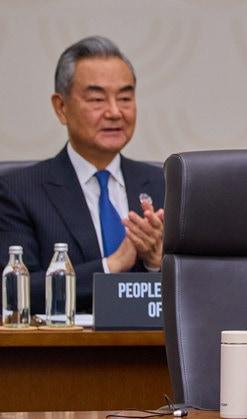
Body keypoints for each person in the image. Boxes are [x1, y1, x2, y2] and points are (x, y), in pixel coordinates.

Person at [0, 36, 166, 314]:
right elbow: (16, 293)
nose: (115, 112)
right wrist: (111, 266)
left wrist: (156, 263)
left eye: (125, 98)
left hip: (153, 353)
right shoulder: (19, 191)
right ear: (61, 107)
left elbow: (202, 288)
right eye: (97, 99)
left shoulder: (166, 184)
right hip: (64, 354)